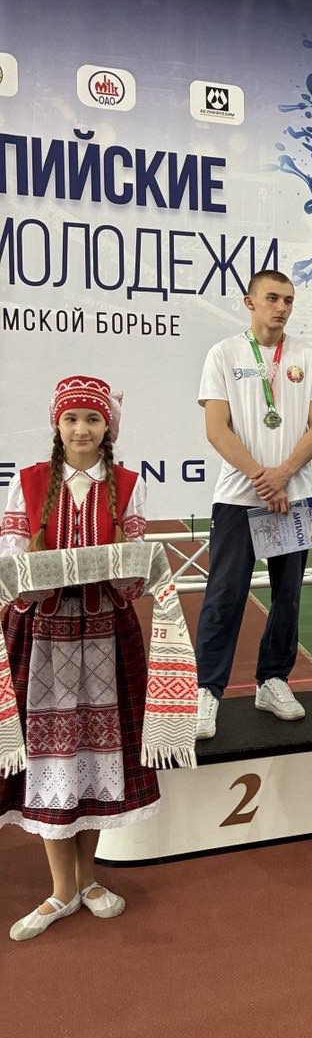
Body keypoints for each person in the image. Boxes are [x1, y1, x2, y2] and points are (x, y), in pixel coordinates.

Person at [0, 376, 152, 941]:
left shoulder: (129, 485)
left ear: (108, 426)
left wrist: (122, 570)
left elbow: (134, 574)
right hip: (43, 637)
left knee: (95, 753)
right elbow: (12, 561)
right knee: (52, 757)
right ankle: (61, 889)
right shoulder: (28, 482)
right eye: (71, 419)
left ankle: (88, 880)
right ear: (56, 424)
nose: (81, 429)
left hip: (106, 634)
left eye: (92, 419)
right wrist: (51, 575)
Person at [194, 270, 312, 739]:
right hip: (238, 495)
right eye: (272, 298)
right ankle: (208, 690)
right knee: (224, 596)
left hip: (295, 495)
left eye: (288, 300)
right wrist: (262, 477)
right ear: (249, 302)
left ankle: (273, 680)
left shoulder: (307, 356)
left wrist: (283, 474)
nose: (282, 307)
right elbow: (216, 429)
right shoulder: (224, 354)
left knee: (288, 596)